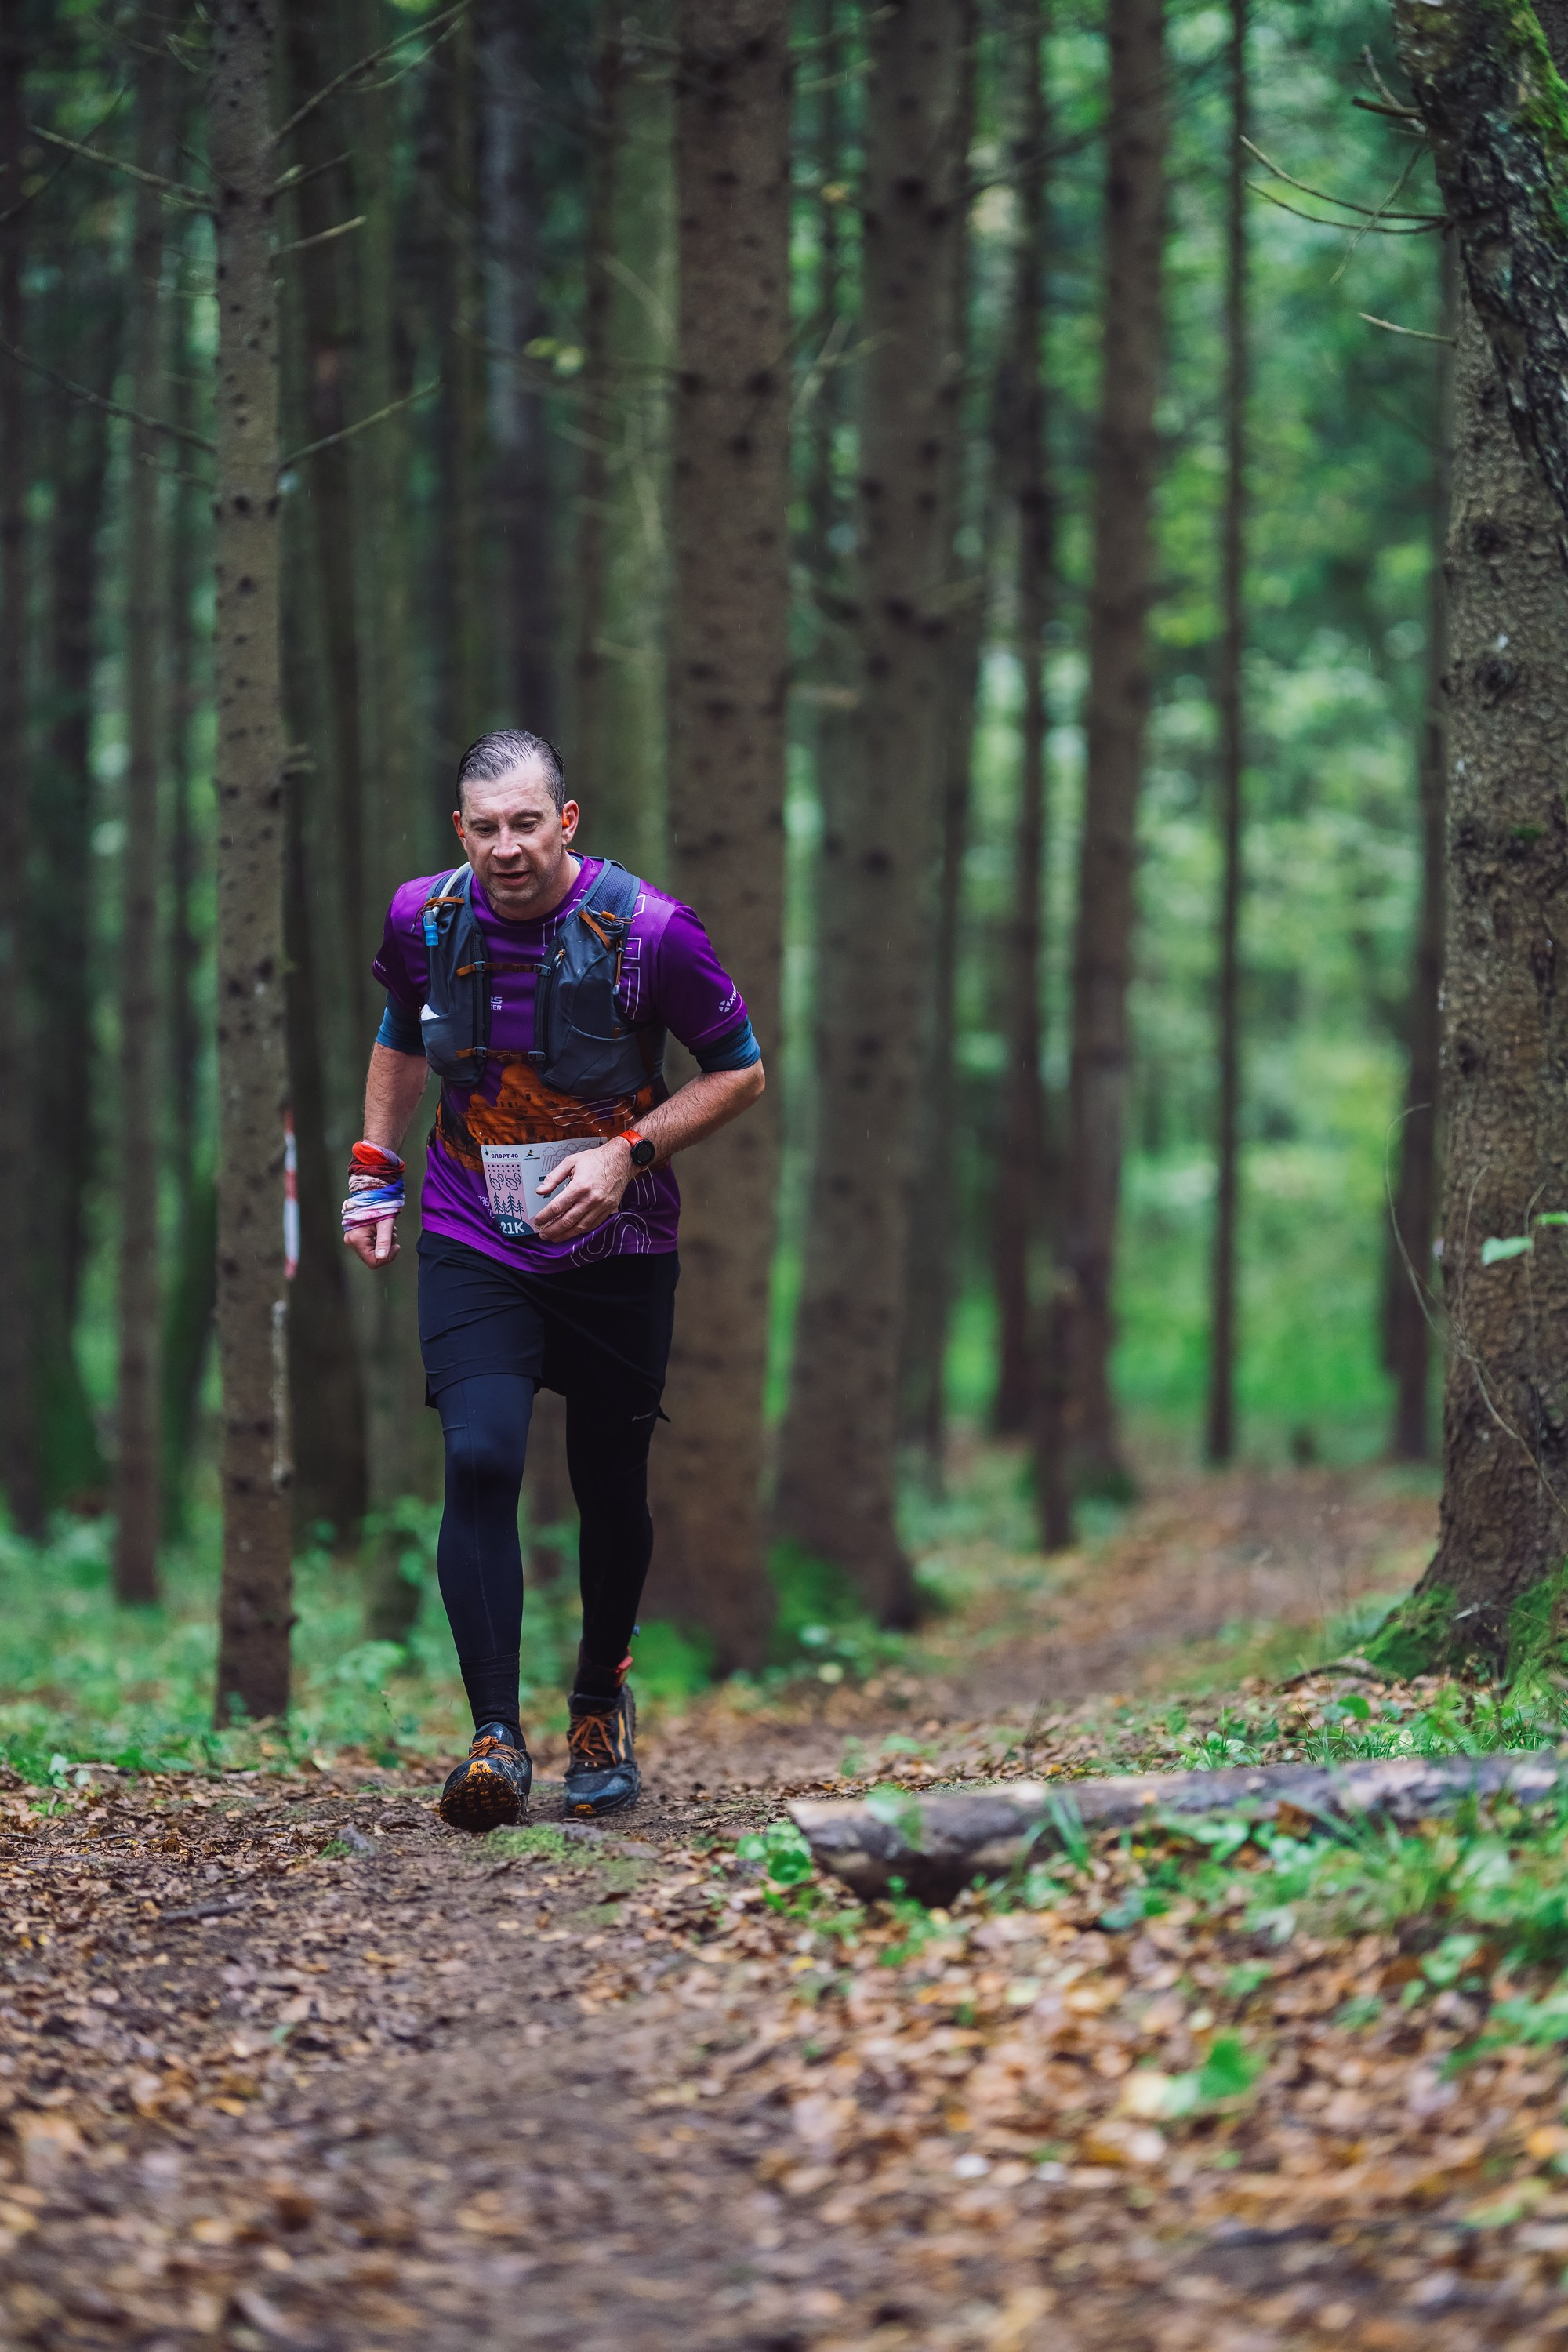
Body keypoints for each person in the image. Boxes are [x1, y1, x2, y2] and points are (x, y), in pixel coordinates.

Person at [343, 730, 764, 1831]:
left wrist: (629, 1156)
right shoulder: (425, 919)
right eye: (485, 828)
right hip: (473, 1227)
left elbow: (742, 1072)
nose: (506, 847)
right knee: (479, 1454)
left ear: (564, 823)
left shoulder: (654, 934)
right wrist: (376, 1172)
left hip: (616, 1250)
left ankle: (595, 1707)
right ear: (461, 833)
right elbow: (399, 1034)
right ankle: (494, 1736)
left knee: (609, 1480)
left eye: (526, 823)